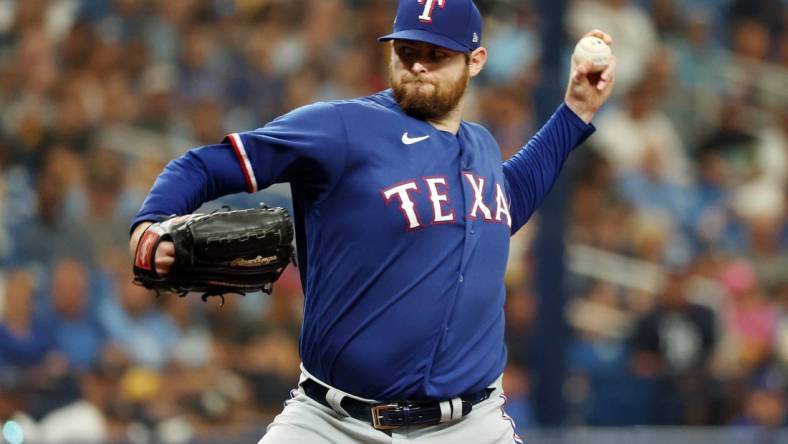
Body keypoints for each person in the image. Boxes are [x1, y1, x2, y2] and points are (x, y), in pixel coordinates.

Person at [129, 0, 616, 442]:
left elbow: (507, 200)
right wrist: (150, 223)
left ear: (476, 61)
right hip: (332, 424)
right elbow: (203, 165)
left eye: (437, 53)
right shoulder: (341, 127)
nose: (419, 65)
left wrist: (576, 111)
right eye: (406, 51)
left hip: (470, 426)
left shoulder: (482, 145)